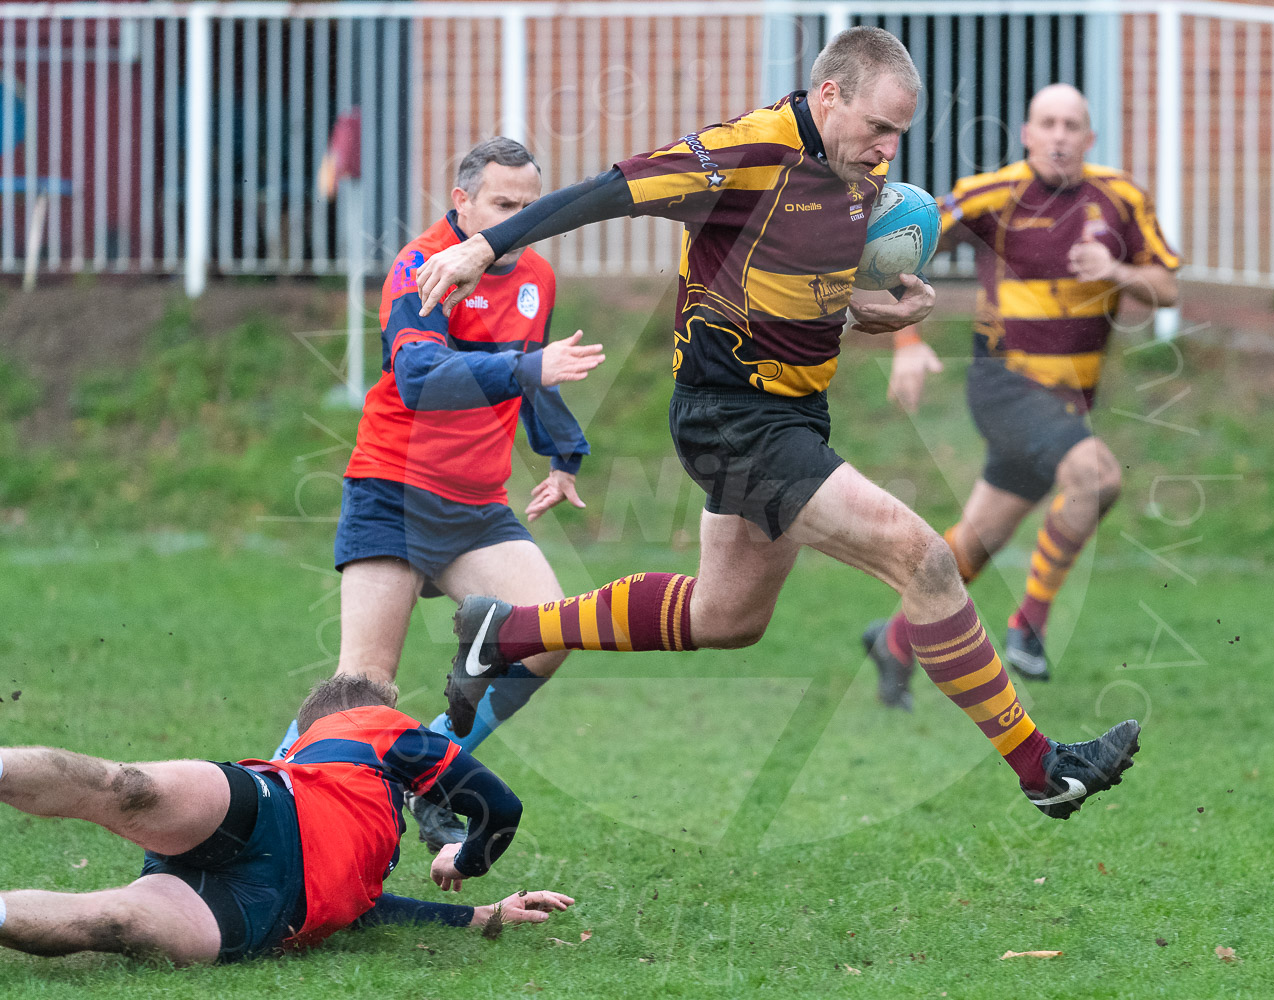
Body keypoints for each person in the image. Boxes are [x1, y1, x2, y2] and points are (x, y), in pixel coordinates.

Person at [412, 29, 1139, 819]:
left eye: (901, 132)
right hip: (733, 418)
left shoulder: (864, 174)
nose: (889, 147)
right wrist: (484, 245)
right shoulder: (745, 152)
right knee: (922, 558)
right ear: (829, 96)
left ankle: (505, 632)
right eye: (879, 126)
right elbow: (606, 192)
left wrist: (875, 312)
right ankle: (1043, 770)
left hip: (793, 414)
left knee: (726, 617)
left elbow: (796, 280)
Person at [270, 137, 605, 851]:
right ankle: (270, 799)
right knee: (360, 686)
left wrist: (562, 456)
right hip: (393, 489)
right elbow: (420, 376)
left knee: (548, 636)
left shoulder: (536, 274)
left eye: (530, 207)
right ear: (463, 203)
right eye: (504, 205)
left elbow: (533, 376)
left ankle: (433, 766)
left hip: (475, 504)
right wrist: (526, 367)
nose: (520, 220)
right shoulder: (422, 267)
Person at [864, 83, 1180, 704]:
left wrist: (1117, 272)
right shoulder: (993, 194)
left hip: (1067, 402)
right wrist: (906, 343)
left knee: (975, 544)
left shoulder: (1120, 198)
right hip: (1005, 385)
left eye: (1072, 125)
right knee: (1098, 478)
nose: (1060, 135)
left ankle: (895, 640)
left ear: (1089, 139)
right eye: (1048, 123)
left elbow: (1167, 287)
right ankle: (1029, 626)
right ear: (1028, 135)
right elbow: (898, 245)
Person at [0, 674, 574, 965]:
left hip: (270, 910)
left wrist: (483, 915)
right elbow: (500, 808)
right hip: (273, 813)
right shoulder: (376, 725)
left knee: (118, 918)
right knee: (124, 787)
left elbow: (365, 911)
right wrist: (464, 861)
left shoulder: (374, 826)